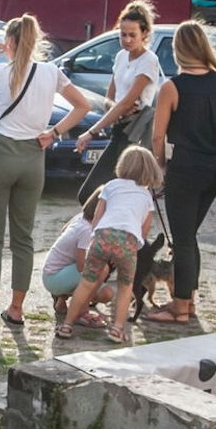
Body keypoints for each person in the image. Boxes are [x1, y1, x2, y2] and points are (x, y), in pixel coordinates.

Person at [0, 14, 90, 329]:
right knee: (23, 237)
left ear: (10, 42)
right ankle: (16, 309)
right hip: (33, 155)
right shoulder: (51, 73)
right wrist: (55, 132)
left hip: (0, 154)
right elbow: (81, 106)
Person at [146, 21, 216, 326]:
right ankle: (190, 300)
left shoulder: (172, 86)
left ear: (178, 49)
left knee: (182, 239)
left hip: (185, 167)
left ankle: (180, 307)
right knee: (188, 236)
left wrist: (159, 167)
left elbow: (158, 136)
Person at [57, 145, 161, 343]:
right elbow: (144, 230)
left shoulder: (111, 186)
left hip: (102, 237)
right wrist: (134, 247)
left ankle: (67, 324)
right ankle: (117, 329)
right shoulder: (147, 197)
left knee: (87, 283)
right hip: (128, 242)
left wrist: (96, 237)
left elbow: (97, 217)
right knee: (124, 287)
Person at [73, 0, 162, 205]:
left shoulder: (149, 60)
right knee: (93, 195)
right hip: (118, 128)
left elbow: (127, 101)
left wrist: (91, 132)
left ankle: (134, 237)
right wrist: (116, 109)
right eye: (123, 34)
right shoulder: (122, 56)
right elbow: (110, 98)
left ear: (145, 34)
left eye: (133, 35)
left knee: (110, 196)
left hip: (135, 132)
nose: (127, 40)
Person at [41, 188, 115, 326]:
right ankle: (82, 312)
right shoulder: (87, 231)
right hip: (55, 278)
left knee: (107, 293)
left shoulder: (80, 218)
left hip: (53, 273)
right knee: (103, 269)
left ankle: (62, 298)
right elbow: (82, 266)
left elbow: (63, 230)